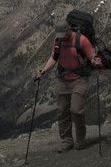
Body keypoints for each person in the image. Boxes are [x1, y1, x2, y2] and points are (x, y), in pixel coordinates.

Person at [34, 23, 103, 152]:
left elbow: (91, 56)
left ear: (69, 31)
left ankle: (80, 139)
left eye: (64, 35)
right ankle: (67, 141)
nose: (62, 38)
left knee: (76, 110)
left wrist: (95, 61)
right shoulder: (58, 41)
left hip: (79, 79)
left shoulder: (81, 40)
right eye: (59, 36)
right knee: (62, 110)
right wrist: (44, 70)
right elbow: (54, 58)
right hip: (63, 78)